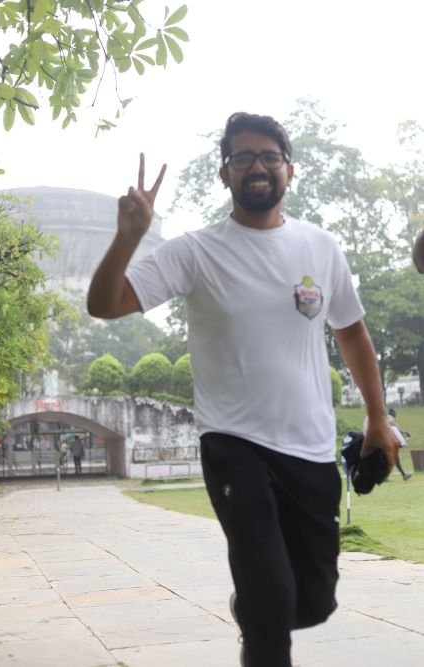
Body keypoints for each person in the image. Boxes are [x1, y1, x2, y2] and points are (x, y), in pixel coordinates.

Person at [87, 112, 399, 667]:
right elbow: (104, 304)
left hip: (310, 449)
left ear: (290, 170)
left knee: (312, 602)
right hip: (234, 445)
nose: (257, 166)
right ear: (224, 174)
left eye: (269, 157)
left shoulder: (321, 247)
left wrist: (378, 417)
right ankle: (258, 612)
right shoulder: (195, 252)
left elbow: (352, 332)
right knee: (271, 598)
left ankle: (250, 608)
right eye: (243, 158)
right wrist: (127, 238)